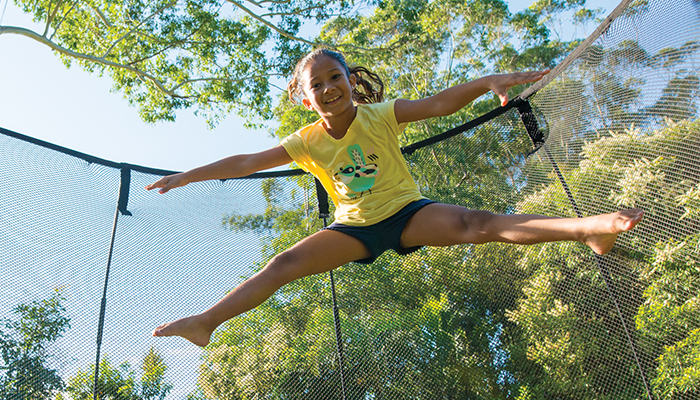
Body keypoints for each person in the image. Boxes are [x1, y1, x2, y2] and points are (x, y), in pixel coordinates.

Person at [146, 49, 644, 347]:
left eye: (335, 78)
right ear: (306, 98)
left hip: (409, 213)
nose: (328, 87)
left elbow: (438, 103)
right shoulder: (305, 141)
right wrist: (187, 175)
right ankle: (206, 323)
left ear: (351, 82)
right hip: (352, 229)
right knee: (281, 266)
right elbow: (244, 163)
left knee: (477, 223)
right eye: (316, 85)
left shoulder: (380, 114)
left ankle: (589, 229)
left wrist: (486, 82)